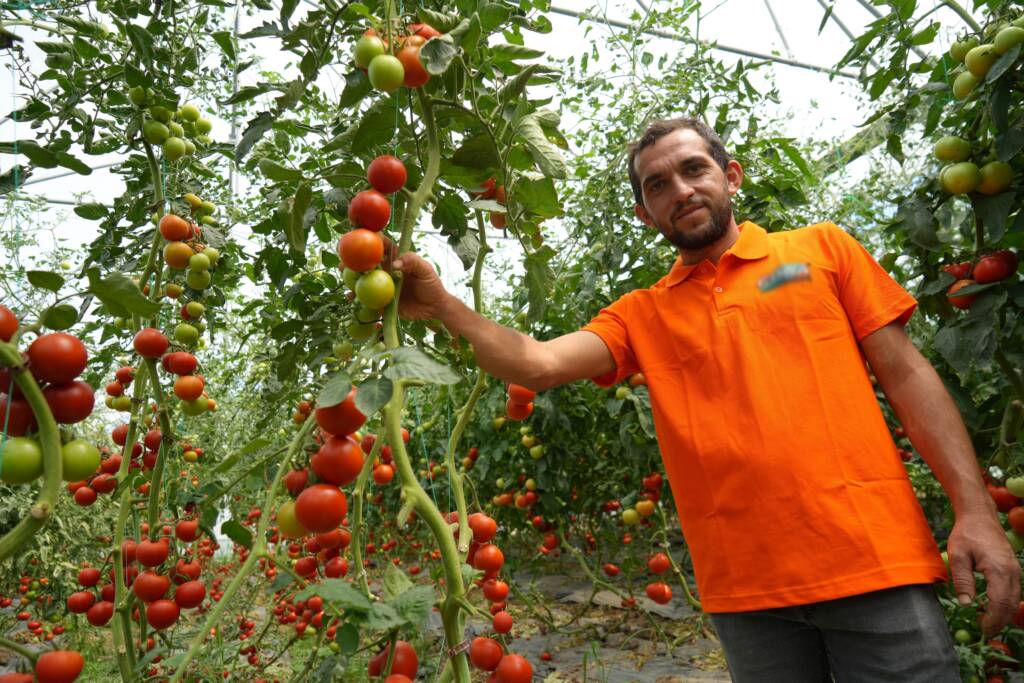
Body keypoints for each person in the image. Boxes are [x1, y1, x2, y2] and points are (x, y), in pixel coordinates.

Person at [391, 117, 1020, 681]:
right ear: (646, 213)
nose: (681, 190)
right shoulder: (642, 315)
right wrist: (445, 305)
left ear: (731, 176)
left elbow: (907, 374)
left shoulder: (818, 253)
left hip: (874, 564)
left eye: (694, 169)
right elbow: (536, 363)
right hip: (744, 594)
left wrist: (976, 511)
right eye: (657, 184)